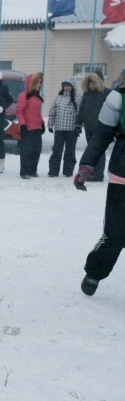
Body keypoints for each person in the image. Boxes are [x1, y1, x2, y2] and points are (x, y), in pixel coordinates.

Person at [74, 74, 125, 296]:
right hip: (122, 174)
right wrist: (87, 165)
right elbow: (101, 136)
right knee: (115, 233)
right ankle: (95, 272)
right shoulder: (118, 98)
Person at [75, 72, 111, 182]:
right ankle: (92, 172)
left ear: (99, 82)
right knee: (91, 151)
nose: (92, 86)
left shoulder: (108, 93)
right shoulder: (87, 95)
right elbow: (82, 110)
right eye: (90, 83)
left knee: (99, 151)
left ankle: (98, 174)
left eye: (94, 83)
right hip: (89, 127)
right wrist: (78, 124)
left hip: (102, 127)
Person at [48, 77, 82, 177]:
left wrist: (79, 126)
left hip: (72, 130)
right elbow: (52, 112)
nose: (66, 88)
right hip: (59, 129)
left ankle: (68, 171)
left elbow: (81, 114)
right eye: (65, 86)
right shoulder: (58, 98)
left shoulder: (78, 98)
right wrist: (50, 124)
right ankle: (53, 171)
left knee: (70, 151)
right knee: (57, 150)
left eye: (68, 86)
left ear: (73, 86)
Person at [16, 72, 45, 179]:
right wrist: (22, 125)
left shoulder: (37, 97)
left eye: (40, 82)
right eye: (37, 82)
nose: (39, 84)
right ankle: (24, 171)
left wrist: (42, 123)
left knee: (36, 150)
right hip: (27, 128)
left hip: (36, 128)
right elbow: (19, 111)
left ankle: (33, 170)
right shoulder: (24, 95)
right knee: (26, 151)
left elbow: (36, 112)